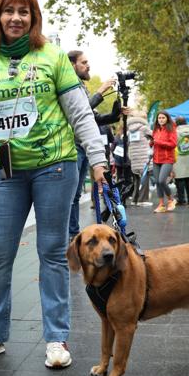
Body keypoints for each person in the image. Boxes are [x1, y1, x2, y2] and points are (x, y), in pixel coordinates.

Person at [0, 0, 107, 369]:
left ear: (34, 17)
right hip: (5, 173)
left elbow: (79, 113)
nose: (17, 18)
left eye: (25, 12)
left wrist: (99, 159)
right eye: (9, 12)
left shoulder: (52, 56)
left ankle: (57, 339)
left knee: (52, 252)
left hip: (55, 166)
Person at [67, 50, 122, 239]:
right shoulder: (67, 87)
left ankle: (72, 234)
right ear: (72, 65)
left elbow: (94, 118)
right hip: (72, 147)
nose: (88, 65)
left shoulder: (82, 87)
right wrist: (101, 90)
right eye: (83, 62)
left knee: (74, 196)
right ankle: (71, 235)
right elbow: (80, 111)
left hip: (82, 147)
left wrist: (115, 115)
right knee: (71, 195)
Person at [151, 111, 177, 213]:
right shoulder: (156, 129)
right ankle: (161, 204)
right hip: (156, 158)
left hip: (167, 159)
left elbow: (173, 144)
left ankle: (171, 199)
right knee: (157, 182)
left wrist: (158, 142)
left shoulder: (171, 129)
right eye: (159, 118)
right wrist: (151, 142)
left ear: (167, 119)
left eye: (163, 118)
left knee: (162, 180)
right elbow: (154, 142)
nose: (161, 120)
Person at [126, 112, 153, 206]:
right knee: (145, 178)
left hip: (133, 158)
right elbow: (154, 137)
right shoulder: (144, 128)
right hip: (143, 157)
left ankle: (135, 199)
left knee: (136, 179)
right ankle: (142, 200)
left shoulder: (129, 131)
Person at [172, 116, 189, 205]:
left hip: (178, 157)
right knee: (187, 178)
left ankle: (181, 199)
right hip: (188, 157)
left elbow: (172, 144)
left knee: (179, 179)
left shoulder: (175, 132)